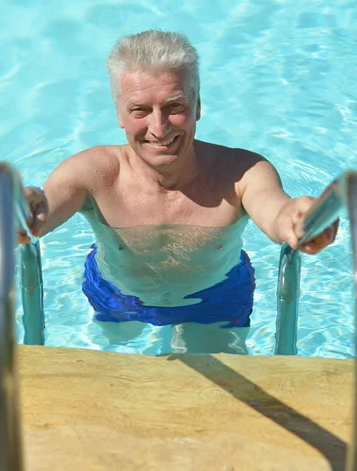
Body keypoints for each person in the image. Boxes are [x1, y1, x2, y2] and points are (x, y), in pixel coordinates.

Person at [19, 30, 338, 354]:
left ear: (197, 105)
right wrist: (27, 209)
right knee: (116, 359)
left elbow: (277, 213)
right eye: (140, 110)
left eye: (174, 106)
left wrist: (301, 219)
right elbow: (48, 205)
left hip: (216, 298)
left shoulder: (242, 173)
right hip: (116, 292)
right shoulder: (94, 173)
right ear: (119, 114)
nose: (159, 128)